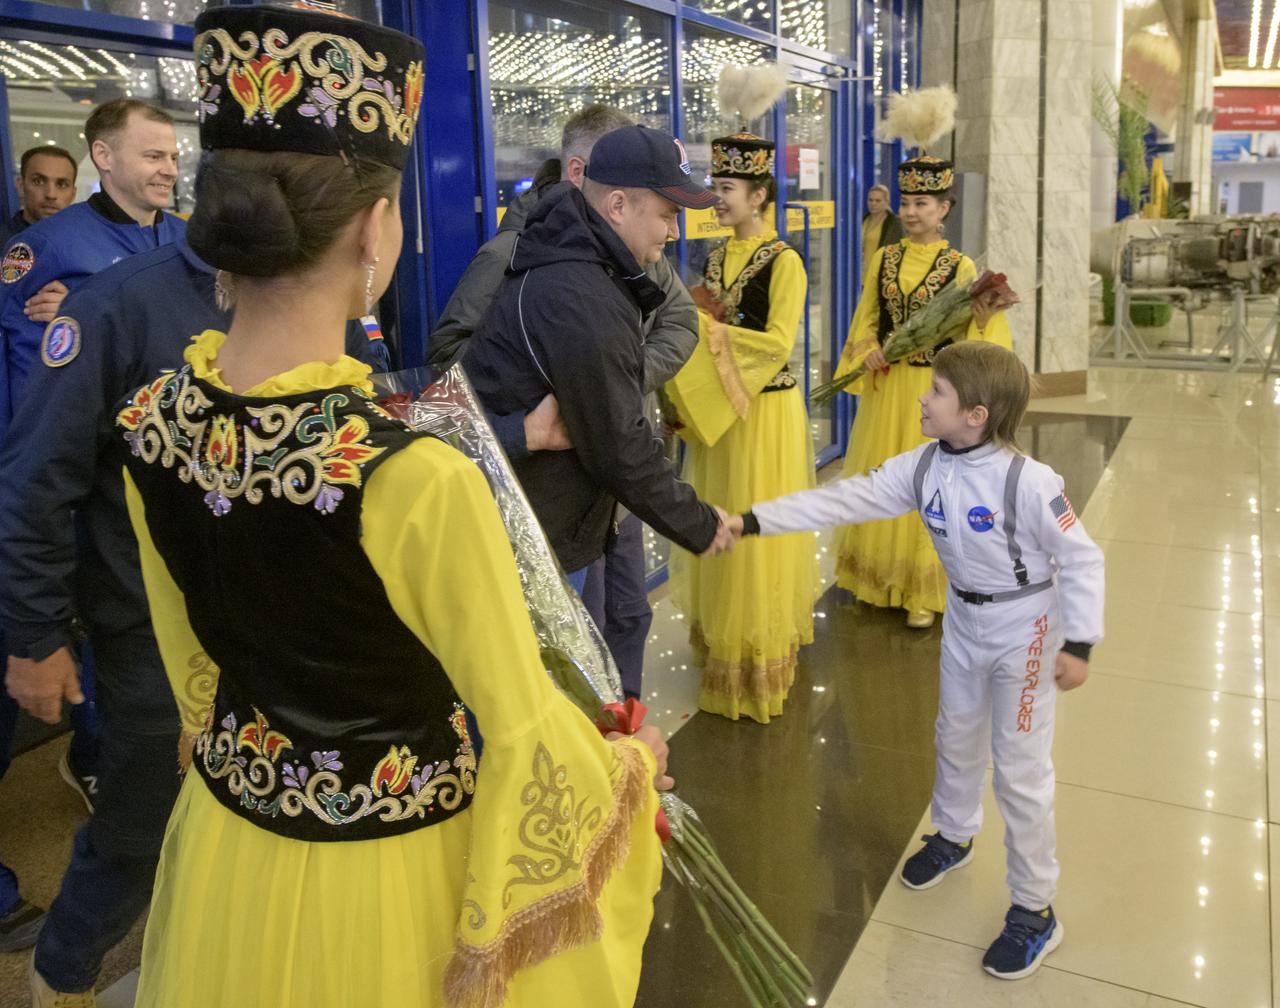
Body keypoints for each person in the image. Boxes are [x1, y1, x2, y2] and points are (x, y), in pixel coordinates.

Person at [112, 6, 668, 1005]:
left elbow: (195, 670)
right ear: (374, 230)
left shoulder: (153, 423)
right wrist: (628, 764)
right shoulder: (409, 476)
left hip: (228, 849)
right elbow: (525, 732)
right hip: (386, 881)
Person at [0, 241, 391, 1005]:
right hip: (153, 631)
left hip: (290, 627)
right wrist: (33, 634)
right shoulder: (117, 306)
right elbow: (36, 481)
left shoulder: (319, 294)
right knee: (142, 828)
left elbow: (365, 438)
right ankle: (63, 966)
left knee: (266, 820)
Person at [728, 340, 1104, 981]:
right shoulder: (925, 465)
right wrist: (751, 521)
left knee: (1019, 770)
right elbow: (844, 499)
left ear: (976, 415)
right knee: (953, 735)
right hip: (964, 618)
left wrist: (1080, 643)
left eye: (936, 393)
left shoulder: (1029, 482)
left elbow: (1082, 558)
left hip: (1027, 629)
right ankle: (954, 834)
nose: (922, 400)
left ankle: (1036, 909)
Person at [430, 103, 698, 699]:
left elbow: (681, 322)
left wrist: (610, 387)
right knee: (570, 645)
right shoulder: (513, 255)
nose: (671, 228)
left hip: (615, 483)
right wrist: (531, 418)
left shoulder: (632, 255)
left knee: (628, 617)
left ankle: (621, 748)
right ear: (584, 175)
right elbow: (445, 365)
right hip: (550, 497)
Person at [465, 123, 735, 594]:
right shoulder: (582, 294)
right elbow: (619, 445)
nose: (673, 232)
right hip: (538, 535)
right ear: (617, 205)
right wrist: (699, 522)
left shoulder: (587, 268)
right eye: (668, 214)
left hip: (546, 519)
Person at [664, 132, 818, 723]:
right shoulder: (717, 255)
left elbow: (778, 345)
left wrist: (707, 333)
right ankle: (721, 640)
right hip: (722, 414)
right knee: (715, 512)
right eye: (716, 187)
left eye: (725, 189)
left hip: (764, 415)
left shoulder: (786, 262)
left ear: (759, 196)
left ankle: (755, 657)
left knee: (753, 527)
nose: (716, 198)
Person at [833, 156, 1012, 629]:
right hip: (888, 388)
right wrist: (868, 351)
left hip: (933, 391)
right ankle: (876, 581)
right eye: (907, 202)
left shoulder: (959, 266)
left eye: (923, 203)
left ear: (944, 208)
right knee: (885, 477)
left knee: (929, 486)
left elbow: (972, 331)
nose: (912, 212)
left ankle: (922, 589)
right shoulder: (884, 259)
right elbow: (866, 316)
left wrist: (989, 310)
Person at [0, 99, 183, 409]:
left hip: (178, 427)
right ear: (104, 156)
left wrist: (86, 314)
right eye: (154, 157)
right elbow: (26, 376)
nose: (170, 171)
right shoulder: (44, 245)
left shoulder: (190, 242)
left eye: (174, 158)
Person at [1, 145, 78, 246]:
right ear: (21, 186)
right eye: (38, 181)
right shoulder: (3, 242)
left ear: (73, 193)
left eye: (62, 184)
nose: (51, 194)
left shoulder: (87, 244)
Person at [860, 183, 903, 275]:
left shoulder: (894, 224)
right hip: (861, 274)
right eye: (870, 200)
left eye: (878, 201)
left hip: (881, 274)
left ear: (887, 202)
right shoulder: (863, 220)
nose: (873, 203)